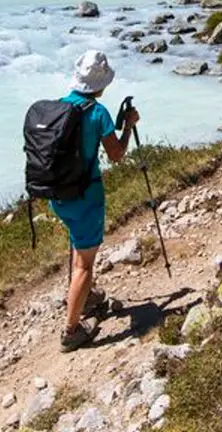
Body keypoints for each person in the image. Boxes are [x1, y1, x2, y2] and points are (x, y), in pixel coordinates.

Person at [51, 49, 138, 352]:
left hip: (59, 196)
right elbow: (116, 155)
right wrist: (128, 126)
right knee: (85, 266)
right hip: (86, 196)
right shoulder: (98, 113)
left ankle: (86, 297)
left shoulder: (60, 107)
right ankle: (71, 330)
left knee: (79, 247)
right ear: (101, 84)